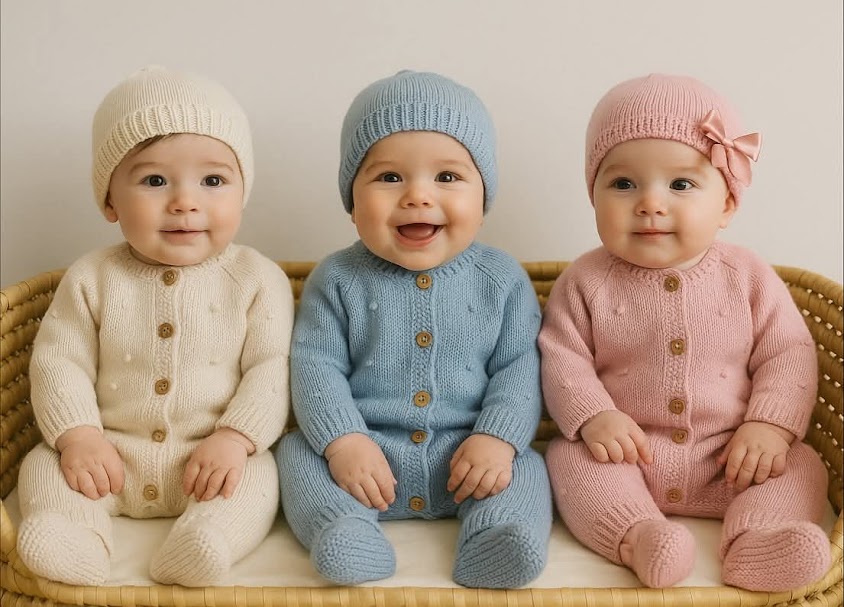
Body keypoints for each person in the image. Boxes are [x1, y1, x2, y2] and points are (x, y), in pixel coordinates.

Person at [538, 73, 831, 591]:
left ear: (727, 205)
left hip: (731, 457)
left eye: (681, 184)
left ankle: (755, 542)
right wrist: (594, 416)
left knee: (801, 464)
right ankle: (639, 538)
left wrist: (770, 425)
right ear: (593, 197)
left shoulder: (748, 275)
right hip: (626, 455)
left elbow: (787, 352)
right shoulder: (584, 280)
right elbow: (561, 356)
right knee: (567, 458)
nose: (651, 203)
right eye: (623, 184)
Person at [15, 66, 294, 587]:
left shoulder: (259, 278)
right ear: (109, 201)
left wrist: (236, 437)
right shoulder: (92, 276)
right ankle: (74, 535)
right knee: (43, 466)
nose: (185, 201)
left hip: (211, 460)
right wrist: (78, 436)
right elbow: (59, 360)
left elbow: (271, 368)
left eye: (213, 180)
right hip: (106, 459)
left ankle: (206, 540)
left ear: (242, 192)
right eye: (154, 180)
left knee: (260, 480)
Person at [275, 70, 552, 588]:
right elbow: (315, 368)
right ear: (351, 201)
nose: (418, 196)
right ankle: (343, 529)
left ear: (484, 197)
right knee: (294, 456)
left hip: (468, 461)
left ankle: (495, 536)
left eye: (447, 177)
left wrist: (498, 439)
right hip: (364, 464)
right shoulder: (336, 278)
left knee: (531, 467)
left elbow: (519, 367)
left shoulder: (501, 278)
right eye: (388, 177)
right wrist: (343, 441)